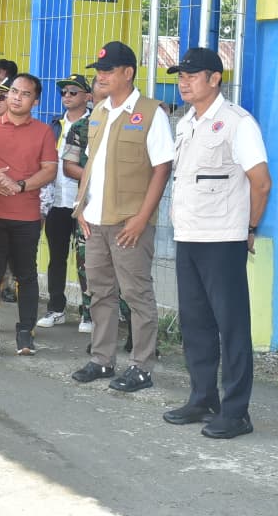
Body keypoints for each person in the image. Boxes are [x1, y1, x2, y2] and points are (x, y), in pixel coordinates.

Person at [162, 47, 271, 440]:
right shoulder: (186, 122)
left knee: (232, 326)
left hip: (223, 238)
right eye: (181, 75)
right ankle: (202, 397)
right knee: (196, 323)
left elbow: (261, 182)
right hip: (188, 235)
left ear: (215, 78)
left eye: (193, 75)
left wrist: (249, 227)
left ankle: (236, 411)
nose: (184, 82)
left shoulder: (237, 123)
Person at [71, 42, 173, 393]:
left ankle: (142, 366)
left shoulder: (150, 113)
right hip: (95, 220)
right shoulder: (98, 112)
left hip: (129, 223)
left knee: (137, 294)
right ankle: (102, 359)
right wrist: (80, 207)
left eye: (109, 70)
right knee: (100, 293)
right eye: (99, 70)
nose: (101, 75)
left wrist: (142, 218)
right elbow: (90, 166)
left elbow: (162, 169)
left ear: (128, 73)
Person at [0, 74, 57, 357]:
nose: (17, 97)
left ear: (36, 100)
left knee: (26, 275)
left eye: (25, 94)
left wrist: (19, 185)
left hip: (26, 216)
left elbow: (49, 170)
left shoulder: (43, 132)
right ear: (6, 96)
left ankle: (25, 333)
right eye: (14, 92)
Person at [37, 73, 92, 329]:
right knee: (56, 256)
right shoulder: (55, 125)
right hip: (58, 200)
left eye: (73, 92)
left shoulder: (94, 124)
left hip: (84, 201)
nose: (67, 96)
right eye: (64, 93)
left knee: (86, 260)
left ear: (87, 96)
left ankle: (88, 312)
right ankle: (56, 308)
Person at [60, 75, 114, 334]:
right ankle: (88, 313)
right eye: (99, 87)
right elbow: (69, 166)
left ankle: (129, 325)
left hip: (123, 207)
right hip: (90, 205)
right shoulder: (80, 127)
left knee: (125, 270)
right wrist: (97, 178)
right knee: (88, 263)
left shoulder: (131, 122)